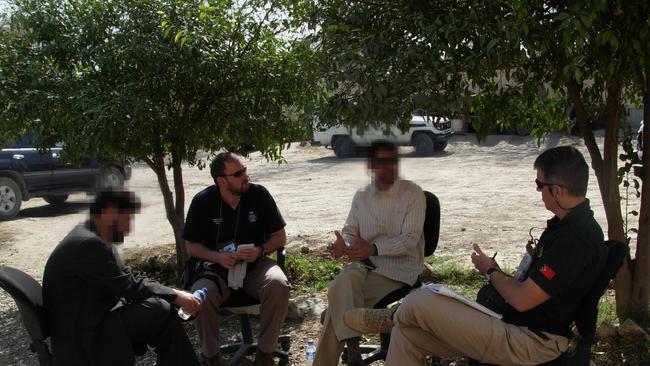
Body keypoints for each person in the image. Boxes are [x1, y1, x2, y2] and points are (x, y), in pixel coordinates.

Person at [346, 146, 607, 365]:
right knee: (407, 335)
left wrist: (491, 272)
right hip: (513, 324)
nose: (538, 191)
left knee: (420, 299)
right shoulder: (569, 228)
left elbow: (522, 299)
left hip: (529, 341)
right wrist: (493, 268)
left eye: (540, 185)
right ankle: (398, 319)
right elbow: (531, 287)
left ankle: (390, 317)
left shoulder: (575, 240)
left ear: (557, 191)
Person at [43, 190, 202, 366]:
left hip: (92, 319)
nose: (128, 229)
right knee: (159, 310)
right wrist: (176, 296)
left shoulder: (90, 235)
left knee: (160, 310)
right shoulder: (87, 244)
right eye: (127, 219)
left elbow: (124, 275)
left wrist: (173, 295)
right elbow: (128, 285)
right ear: (109, 212)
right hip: (85, 335)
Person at [313, 140, 426, 366]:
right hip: (366, 266)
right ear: (371, 166)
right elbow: (350, 230)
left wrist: (374, 248)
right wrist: (343, 244)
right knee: (346, 280)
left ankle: (350, 350)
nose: (388, 167)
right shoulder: (362, 196)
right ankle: (352, 345)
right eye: (381, 162)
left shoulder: (413, 194)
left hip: (400, 269)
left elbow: (410, 241)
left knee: (336, 307)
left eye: (392, 161)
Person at [183, 152, 291, 366]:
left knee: (279, 285)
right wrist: (217, 256)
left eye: (245, 171)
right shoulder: (203, 201)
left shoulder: (259, 195)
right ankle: (212, 357)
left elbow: (280, 237)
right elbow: (191, 246)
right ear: (221, 180)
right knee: (199, 296)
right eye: (239, 173)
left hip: (255, 266)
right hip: (217, 269)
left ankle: (265, 354)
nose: (246, 176)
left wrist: (260, 250)